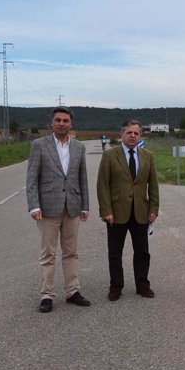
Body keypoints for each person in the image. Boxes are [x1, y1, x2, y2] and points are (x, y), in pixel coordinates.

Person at [26, 106, 91, 313]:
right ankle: (47, 294)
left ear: (71, 124)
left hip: (72, 206)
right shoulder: (39, 145)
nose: (62, 124)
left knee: (71, 252)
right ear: (52, 123)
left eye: (65, 121)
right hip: (47, 208)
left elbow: (82, 178)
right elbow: (31, 179)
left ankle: (73, 291)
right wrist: (34, 205)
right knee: (48, 253)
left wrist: (85, 206)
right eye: (58, 120)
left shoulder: (79, 147)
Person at [97, 120, 159, 301]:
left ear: (140, 136)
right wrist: (106, 210)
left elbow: (153, 185)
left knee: (142, 252)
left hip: (141, 211)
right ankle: (116, 286)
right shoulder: (110, 156)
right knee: (115, 252)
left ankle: (143, 285)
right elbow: (103, 186)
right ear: (121, 135)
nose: (133, 136)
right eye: (129, 133)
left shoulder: (148, 156)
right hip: (116, 213)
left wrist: (154, 208)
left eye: (136, 133)